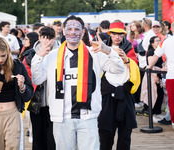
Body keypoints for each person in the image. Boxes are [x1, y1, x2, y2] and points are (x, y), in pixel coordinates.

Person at [31, 15, 125, 150]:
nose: (73, 32)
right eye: (69, 28)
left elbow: (119, 68)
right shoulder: (52, 55)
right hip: (62, 117)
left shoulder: (95, 53)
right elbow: (37, 79)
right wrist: (39, 56)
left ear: (82, 32)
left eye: (77, 29)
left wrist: (109, 50)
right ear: (63, 31)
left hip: (88, 116)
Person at [98, 21, 140, 150]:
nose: (117, 37)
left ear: (124, 35)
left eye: (120, 35)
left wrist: (127, 60)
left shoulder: (128, 47)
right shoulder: (103, 48)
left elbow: (135, 68)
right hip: (107, 94)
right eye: (114, 34)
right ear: (110, 34)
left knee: (125, 132)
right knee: (105, 132)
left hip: (124, 93)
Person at [23, 26, 56, 150]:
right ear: (39, 38)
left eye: (50, 38)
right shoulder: (30, 55)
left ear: (55, 38)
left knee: (53, 140)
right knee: (38, 138)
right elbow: (28, 78)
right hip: (36, 102)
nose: (47, 41)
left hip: (55, 104)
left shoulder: (61, 54)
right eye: (44, 37)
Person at [147, 34, 174, 130]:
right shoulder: (165, 41)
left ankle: (173, 121)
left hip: (172, 75)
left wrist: (149, 66)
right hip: (171, 75)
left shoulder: (166, 41)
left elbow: (155, 55)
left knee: (172, 100)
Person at [139, 36, 164, 121]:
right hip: (153, 75)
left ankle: (157, 113)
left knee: (160, 94)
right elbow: (151, 65)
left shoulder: (159, 52)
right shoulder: (150, 52)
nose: (159, 42)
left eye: (159, 40)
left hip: (159, 74)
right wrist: (155, 76)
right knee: (154, 95)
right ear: (152, 43)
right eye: (157, 41)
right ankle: (153, 114)